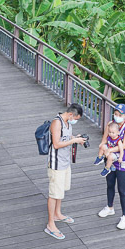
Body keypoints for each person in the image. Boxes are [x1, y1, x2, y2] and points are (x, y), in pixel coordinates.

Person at [44, 103, 86, 240]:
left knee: (60, 190)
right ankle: (50, 224)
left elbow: (66, 137)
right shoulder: (57, 123)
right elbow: (56, 144)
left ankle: (58, 214)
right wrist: (73, 140)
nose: (76, 121)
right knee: (54, 193)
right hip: (56, 163)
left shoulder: (68, 123)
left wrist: (76, 138)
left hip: (65, 162)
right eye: (76, 118)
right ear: (70, 115)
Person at [97, 103, 125, 230]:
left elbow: (124, 145)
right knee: (110, 183)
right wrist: (103, 149)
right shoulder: (110, 124)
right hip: (110, 159)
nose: (117, 117)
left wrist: (109, 150)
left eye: (120, 115)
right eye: (116, 114)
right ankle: (110, 207)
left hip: (122, 160)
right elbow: (104, 140)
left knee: (122, 189)